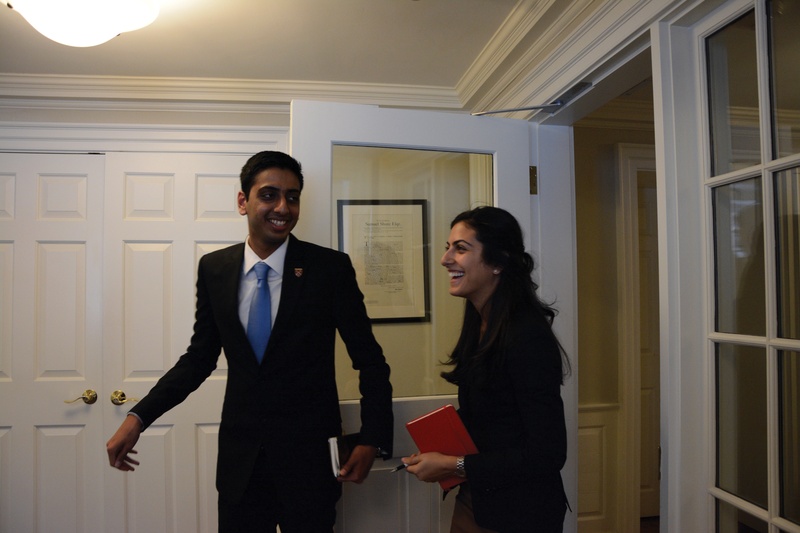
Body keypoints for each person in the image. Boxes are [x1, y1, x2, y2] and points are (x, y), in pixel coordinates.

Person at [106, 150, 394, 533]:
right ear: (243, 201)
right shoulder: (215, 269)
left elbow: (370, 360)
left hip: (308, 463)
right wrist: (138, 417)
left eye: (292, 197)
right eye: (269, 195)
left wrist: (372, 438)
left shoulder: (329, 269)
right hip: (241, 464)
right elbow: (198, 358)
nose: (283, 207)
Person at [402, 206, 570, 533]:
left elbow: (548, 453)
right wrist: (439, 449)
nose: (445, 259)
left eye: (461, 248)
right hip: (480, 499)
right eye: (448, 247)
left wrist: (454, 464)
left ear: (498, 262)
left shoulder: (527, 336)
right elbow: (493, 416)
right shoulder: (480, 325)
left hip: (521, 513)